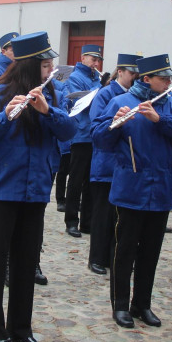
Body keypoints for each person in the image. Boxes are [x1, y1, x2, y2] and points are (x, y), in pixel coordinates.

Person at [0, 31, 77, 342]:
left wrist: (47, 111)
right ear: (30, 66)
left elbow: (69, 130)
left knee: (26, 261)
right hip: (1, 188)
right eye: (45, 66)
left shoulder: (51, 94)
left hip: (35, 189)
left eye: (50, 66)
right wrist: (5, 116)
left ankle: (21, 326)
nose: (50, 71)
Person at [93, 54, 172, 328]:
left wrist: (159, 119)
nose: (168, 82)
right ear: (147, 79)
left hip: (162, 187)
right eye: (163, 78)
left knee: (151, 252)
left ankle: (143, 304)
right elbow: (101, 141)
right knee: (124, 250)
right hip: (131, 184)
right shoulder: (120, 101)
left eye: (169, 78)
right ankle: (120, 305)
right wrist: (114, 124)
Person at [87, 53, 140, 275]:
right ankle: (96, 258)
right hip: (107, 163)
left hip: (126, 163)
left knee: (119, 217)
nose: (135, 77)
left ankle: (112, 256)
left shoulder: (137, 96)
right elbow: (96, 125)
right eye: (131, 73)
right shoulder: (106, 94)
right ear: (120, 72)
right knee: (102, 215)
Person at [63, 44, 103, 237]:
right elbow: (80, 103)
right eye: (93, 59)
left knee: (91, 181)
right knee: (76, 180)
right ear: (83, 57)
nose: (96, 63)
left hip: (94, 134)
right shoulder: (75, 77)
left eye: (98, 60)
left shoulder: (97, 77)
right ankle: (71, 220)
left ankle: (87, 222)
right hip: (80, 133)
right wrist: (100, 93)